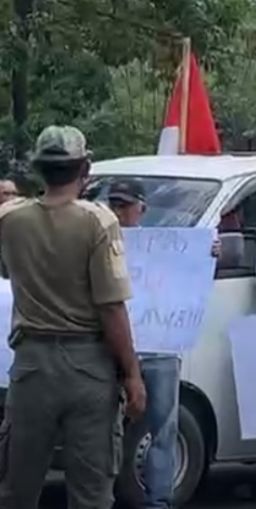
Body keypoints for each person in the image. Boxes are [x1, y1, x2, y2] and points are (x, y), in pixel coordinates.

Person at [0, 125, 146, 509]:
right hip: (88, 369)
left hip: (31, 367)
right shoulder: (98, 222)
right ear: (85, 168)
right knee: (91, 493)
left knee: (17, 488)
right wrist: (131, 372)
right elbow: (111, 306)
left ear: (38, 169)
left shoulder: (11, 220)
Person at [107, 178, 220, 509]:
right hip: (113, 349)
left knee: (163, 430)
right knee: (103, 431)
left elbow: (190, 282)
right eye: (114, 204)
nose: (118, 211)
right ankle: (101, 497)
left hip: (159, 347)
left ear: (141, 208)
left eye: (124, 204)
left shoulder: (163, 241)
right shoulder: (99, 240)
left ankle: (158, 502)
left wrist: (210, 256)